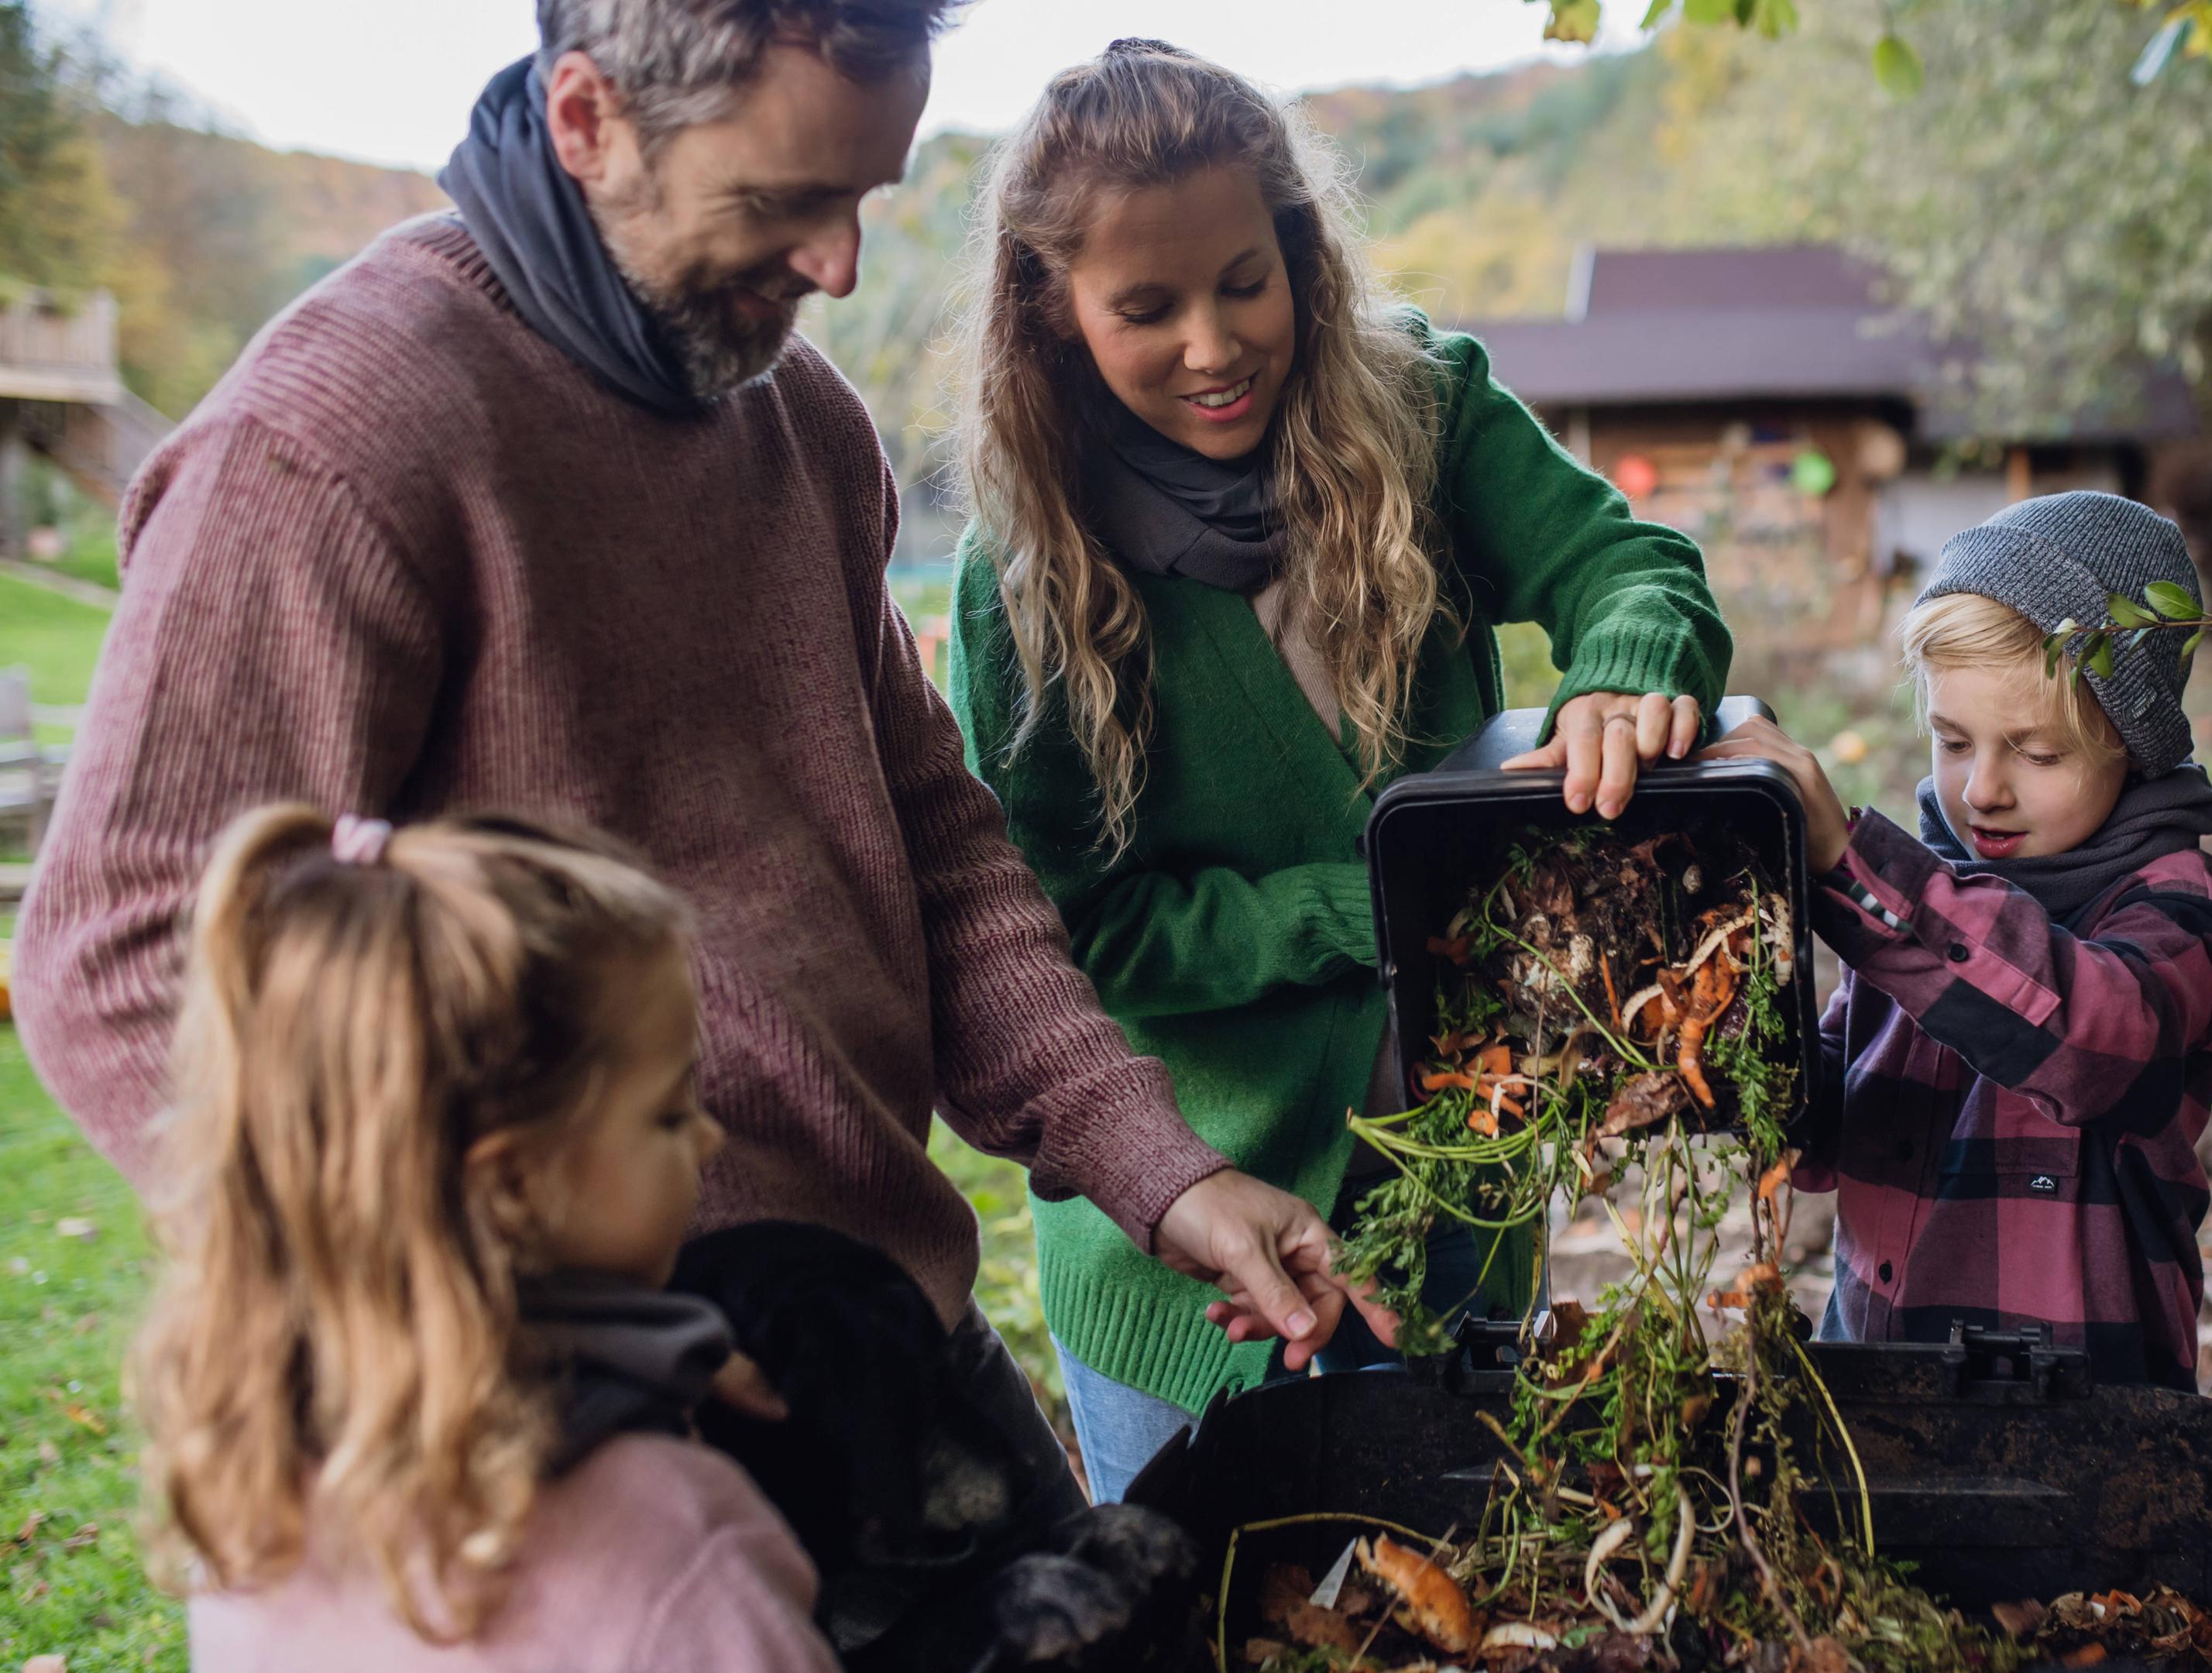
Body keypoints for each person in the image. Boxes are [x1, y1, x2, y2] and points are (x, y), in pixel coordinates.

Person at [15, 0, 1362, 1524]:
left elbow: (938, 851)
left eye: (864, 197)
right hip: (574, 1424)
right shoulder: (340, 440)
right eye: (784, 203)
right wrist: (493, 1328)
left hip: (874, 1320)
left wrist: (1153, 1164)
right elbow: (122, 953)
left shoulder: (801, 426)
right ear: (589, 121)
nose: (839, 267)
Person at [943, 40, 1732, 1499]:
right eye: (1146, 308)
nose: (1214, 343)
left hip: (1457, 1172)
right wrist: (1373, 901)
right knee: (1220, 1605)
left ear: (1300, 249)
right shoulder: (1028, 582)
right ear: (1053, 315)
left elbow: (1625, 561)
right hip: (1188, 1241)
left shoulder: (1419, 411)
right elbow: (1072, 932)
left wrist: (1627, 668)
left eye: (1246, 280)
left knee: (1461, 1572)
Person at [143, 805, 833, 1670]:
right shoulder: (672, 1538)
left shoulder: (249, 1512)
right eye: (668, 1112)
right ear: (510, 1186)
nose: (708, 1137)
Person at [1703, 490, 2212, 1390]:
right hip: (1879, 1374)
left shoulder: (2179, 914)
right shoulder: (1915, 896)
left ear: (2135, 746)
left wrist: (1854, 868)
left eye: (2036, 755)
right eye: (1953, 741)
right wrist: (1721, 1021)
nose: (1983, 790)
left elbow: (2087, 1041)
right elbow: (1825, 1133)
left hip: (2077, 1412)